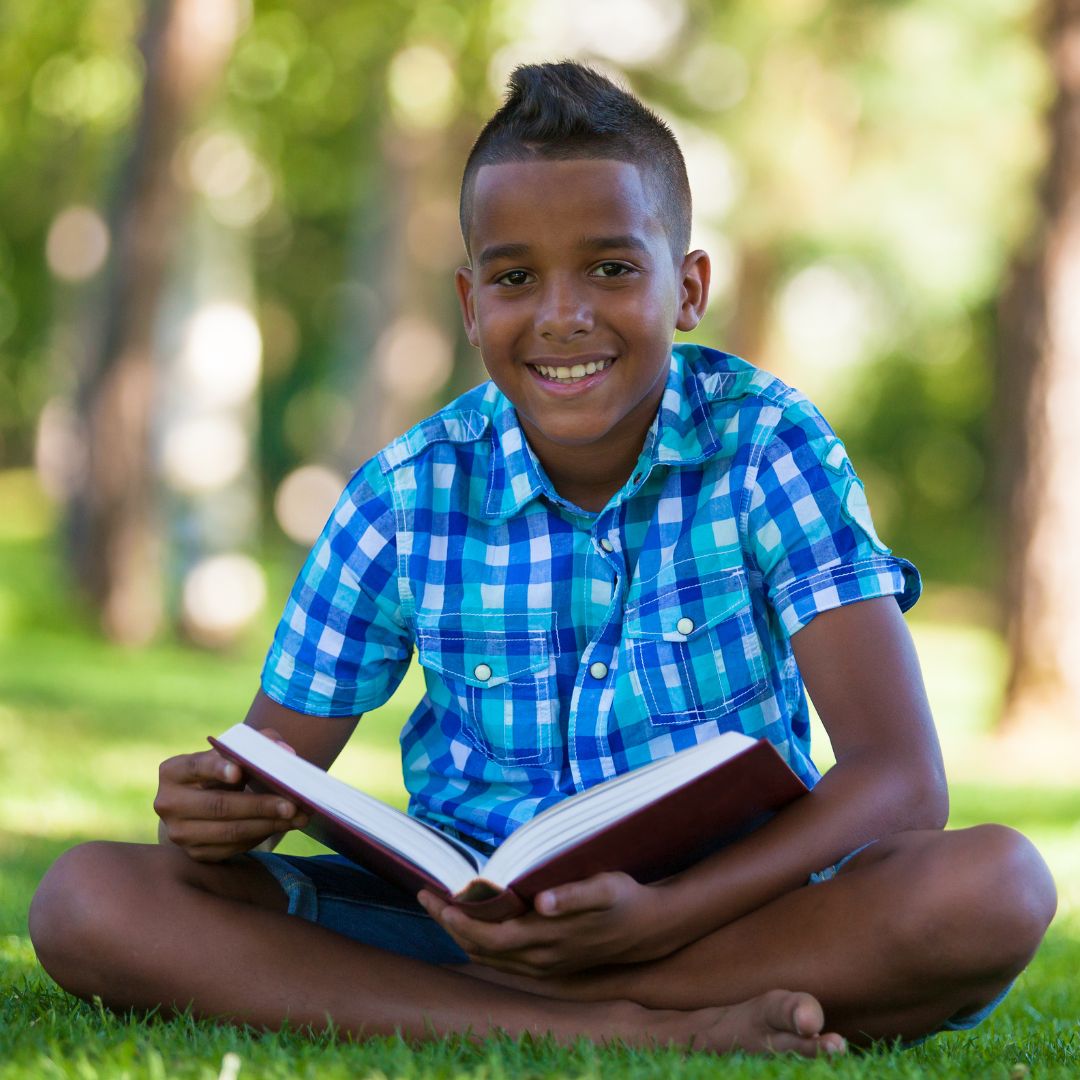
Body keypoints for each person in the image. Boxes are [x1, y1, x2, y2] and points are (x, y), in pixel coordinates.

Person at [29, 61, 1056, 1056]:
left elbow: (902, 782)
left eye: (612, 268)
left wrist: (657, 919)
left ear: (687, 288)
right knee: (88, 899)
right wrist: (214, 808)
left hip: (728, 916)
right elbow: (272, 772)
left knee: (995, 887)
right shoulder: (405, 493)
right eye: (517, 277)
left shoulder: (766, 444)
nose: (563, 314)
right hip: (463, 922)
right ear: (473, 303)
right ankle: (603, 1026)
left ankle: (501, 1007)